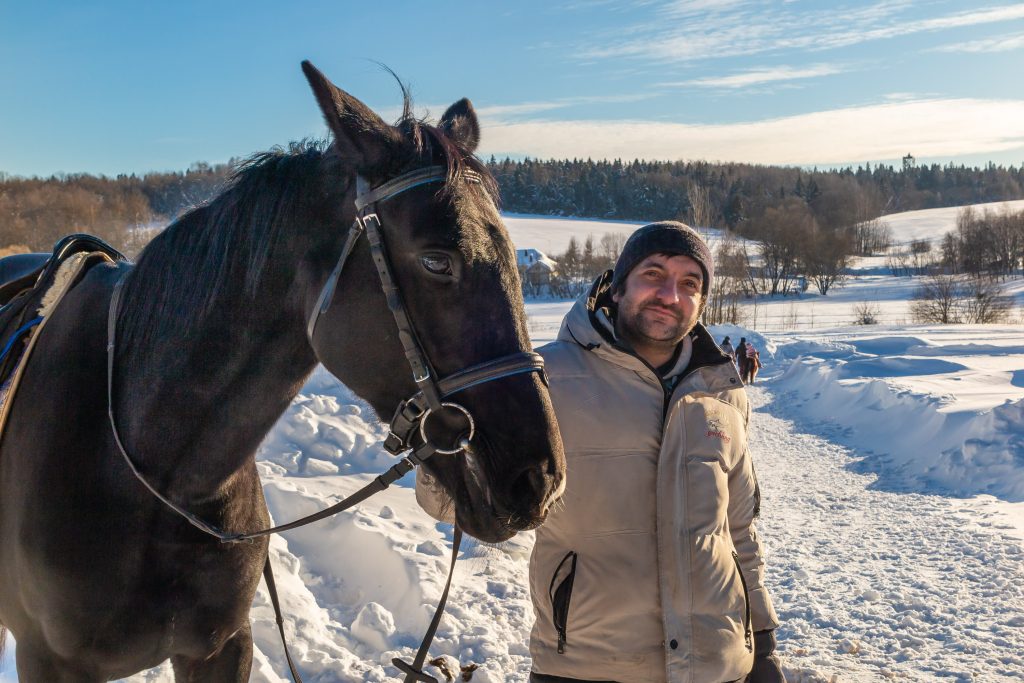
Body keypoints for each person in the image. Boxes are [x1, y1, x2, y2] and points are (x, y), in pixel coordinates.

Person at [418, 221, 784, 683]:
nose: (670, 295)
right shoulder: (542, 379)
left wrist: (764, 640)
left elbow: (739, 532)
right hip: (586, 665)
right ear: (615, 287)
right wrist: (447, 449)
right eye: (653, 274)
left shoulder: (724, 392)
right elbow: (448, 504)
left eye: (689, 284)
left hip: (718, 664)